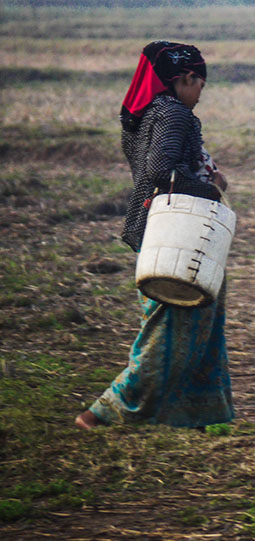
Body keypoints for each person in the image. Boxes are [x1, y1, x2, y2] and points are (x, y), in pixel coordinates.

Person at [75, 41, 234, 430]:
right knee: (171, 323)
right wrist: (211, 189)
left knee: (198, 316)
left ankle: (197, 413)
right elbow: (160, 173)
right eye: (200, 85)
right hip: (178, 230)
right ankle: (107, 412)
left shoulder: (145, 116)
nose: (200, 95)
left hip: (158, 227)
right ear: (185, 78)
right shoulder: (175, 115)